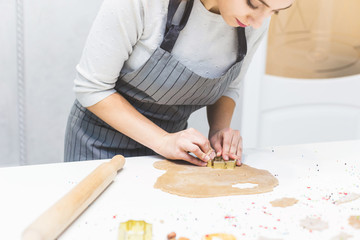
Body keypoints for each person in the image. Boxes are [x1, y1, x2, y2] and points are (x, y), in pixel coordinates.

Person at [64, 0, 294, 165]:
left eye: (275, 11)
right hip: (100, 145)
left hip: (171, 153)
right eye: (253, 4)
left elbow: (231, 84)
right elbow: (92, 88)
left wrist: (219, 129)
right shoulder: (144, 4)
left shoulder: (253, 23)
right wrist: (162, 140)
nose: (258, 21)